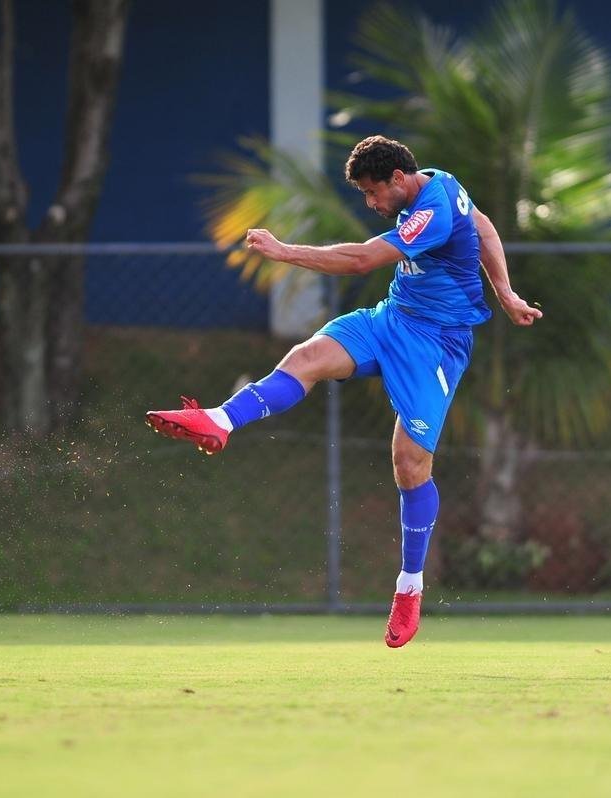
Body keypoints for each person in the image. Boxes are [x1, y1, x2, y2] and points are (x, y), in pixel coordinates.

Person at [146, 135, 541, 647]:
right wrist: (506, 292)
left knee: (409, 464)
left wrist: (284, 251)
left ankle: (409, 587)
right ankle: (219, 421)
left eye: (374, 193)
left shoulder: (432, 210)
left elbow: (359, 261)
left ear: (398, 179)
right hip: (392, 319)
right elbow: (483, 224)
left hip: (437, 346)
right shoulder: (443, 182)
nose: (371, 204)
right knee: (306, 358)